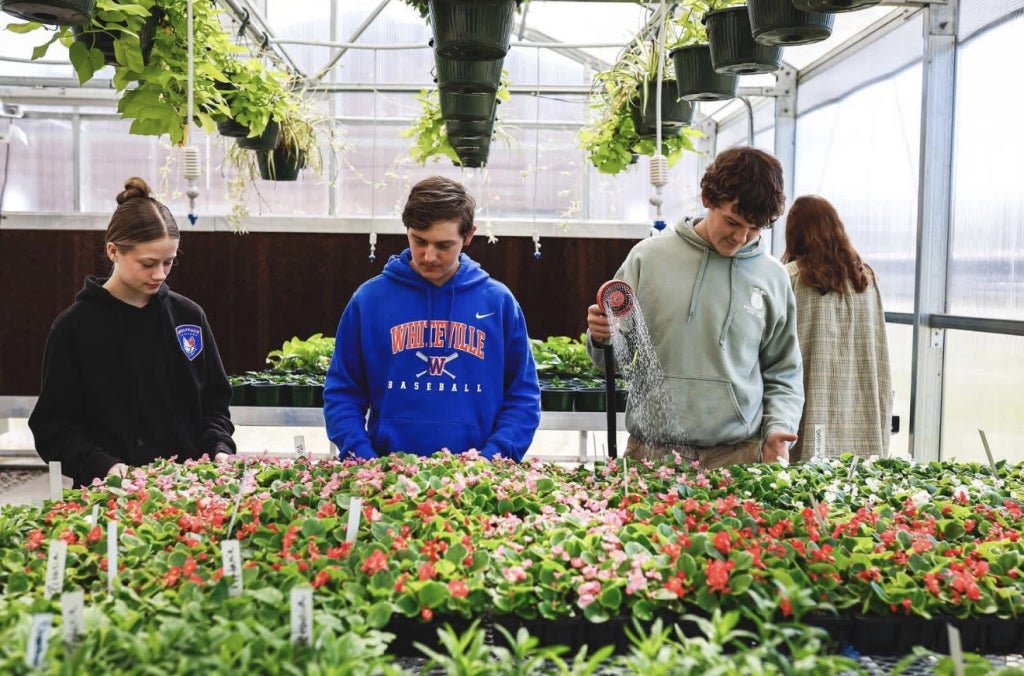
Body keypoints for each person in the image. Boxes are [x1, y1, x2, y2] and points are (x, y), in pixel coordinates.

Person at [586, 146, 803, 468]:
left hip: (739, 456)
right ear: (707, 198)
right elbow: (611, 361)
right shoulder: (648, 259)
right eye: (732, 221)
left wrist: (779, 426)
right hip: (653, 454)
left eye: (754, 228)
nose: (741, 237)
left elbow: (783, 370)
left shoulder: (773, 278)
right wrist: (602, 337)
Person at [29, 177, 235, 487]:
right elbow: (53, 428)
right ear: (113, 251)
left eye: (169, 262)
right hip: (108, 496)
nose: (159, 274)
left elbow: (214, 405)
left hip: (190, 489)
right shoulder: (75, 328)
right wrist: (104, 466)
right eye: (148, 263)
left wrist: (219, 449)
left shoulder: (188, 317)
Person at [324, 176, 541, 462]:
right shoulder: (370, 301)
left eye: (443, 245)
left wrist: (493, 459)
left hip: (479, 480)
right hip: (385, 478)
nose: (428, 256)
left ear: (469, 236)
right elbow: (342, 392)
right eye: (419, 241)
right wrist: (363, 458)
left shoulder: (498, 303)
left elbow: (523, 396)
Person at [782, 195, 893, 461]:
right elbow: (880, 355)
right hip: (863, 414)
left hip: (813, 415)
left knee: (810, 491)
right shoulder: (866, 279)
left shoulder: (791, 277)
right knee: (857, 494)